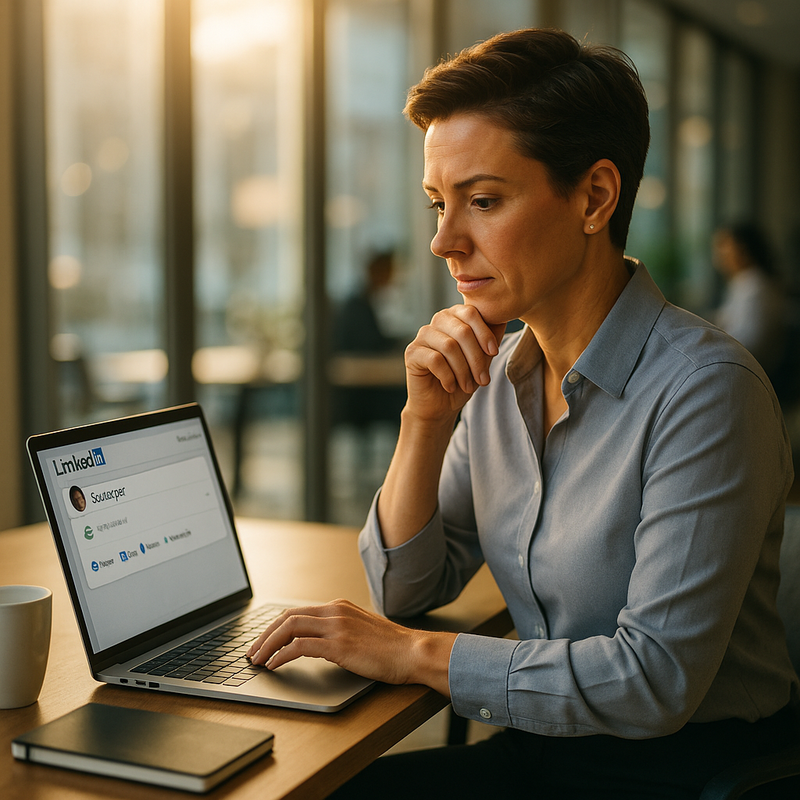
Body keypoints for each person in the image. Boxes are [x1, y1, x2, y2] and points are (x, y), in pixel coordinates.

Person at [247, 28, 798, 798]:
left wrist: (411, 656)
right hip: (545, 750)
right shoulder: (500, 377)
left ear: (594, 197)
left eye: (482, 201)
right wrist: (426, 420)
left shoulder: (707, 390)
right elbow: (406, 588)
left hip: (685, 773)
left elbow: (655, 680)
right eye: (440, 204)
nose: (443, 240)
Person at [713, 222, 786, 378]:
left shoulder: (756, 288)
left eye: (724, 246)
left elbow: (749, 344)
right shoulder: (742, 283)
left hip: (750, 374)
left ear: (743, 249)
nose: (719, 255)